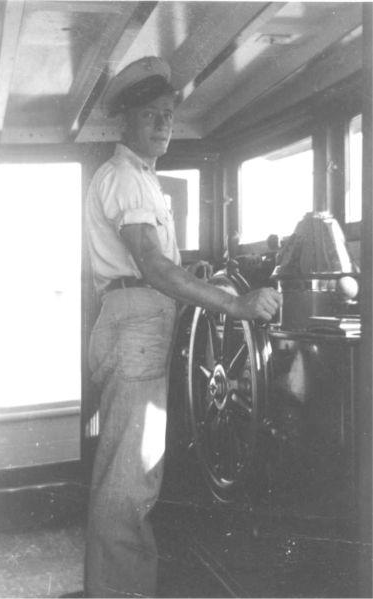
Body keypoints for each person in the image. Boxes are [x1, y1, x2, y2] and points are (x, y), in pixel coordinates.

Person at [84, 56, 282, 598]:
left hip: (138, 320)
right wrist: (235, 305)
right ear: (125, 120)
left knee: (133, 477)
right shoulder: (125, 177)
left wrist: (186, 274)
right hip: (136, 326)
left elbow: (154, 267)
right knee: (128, 484)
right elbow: (150, 268)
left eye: (168, 114)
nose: (163, 124)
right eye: (151, 115)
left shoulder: (141, 180)